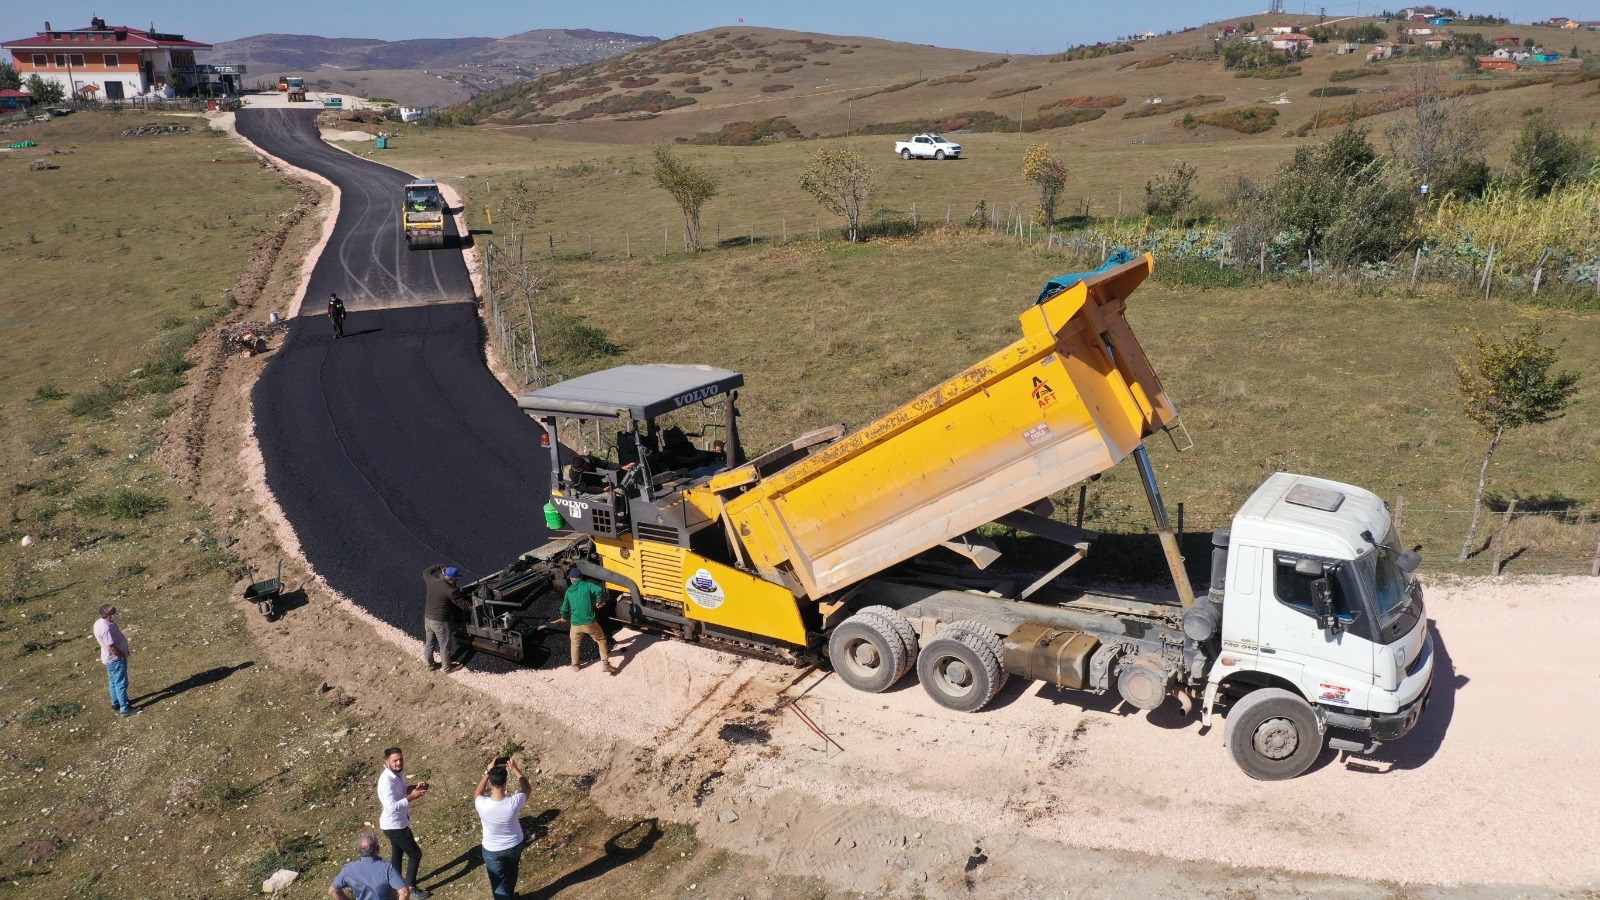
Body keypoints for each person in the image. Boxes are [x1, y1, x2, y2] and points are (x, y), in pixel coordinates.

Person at [377, 747, 431, 899]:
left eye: (400, 759)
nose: (399, 762)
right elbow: (391, 806)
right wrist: (411, 797)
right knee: (415, 854)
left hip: (397, 823)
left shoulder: (398, 774)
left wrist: (414, 788)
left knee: (397, 854)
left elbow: (402, 790)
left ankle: (395, 885)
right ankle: (411, 888)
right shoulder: (386, 781)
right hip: (395, 825)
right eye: (395, 760)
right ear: (387, 762)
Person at [474, 755, 530, 900]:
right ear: (505, 782)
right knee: (512, 873)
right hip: (514, 845)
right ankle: (509, 895)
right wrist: (515, 769)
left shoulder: (482, 804)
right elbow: (527, 788)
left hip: (492, 849)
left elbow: (478, 793)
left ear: (491, 782)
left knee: (498, 883)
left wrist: (487, 772)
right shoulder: (515, 802)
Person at [556, 569, 615, 674]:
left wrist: (563, 616)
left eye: (570, 577)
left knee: (574, 643)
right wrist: (599, 602)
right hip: (589, 623)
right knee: (601, 640)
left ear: (572, 579)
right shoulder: (587, 586)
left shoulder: (569, 591)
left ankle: (575, 665)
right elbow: (598, 590)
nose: (570, 579)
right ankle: (605, 664)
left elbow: (564, 608)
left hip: (575, 624)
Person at [329, 831, 410, 900]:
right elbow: (404, 893)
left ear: (359, 851)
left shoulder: (349, 869)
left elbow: (333, 891)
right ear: (378, 849)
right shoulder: (387, 867)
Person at [421, 565, 468, 673]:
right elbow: (464, 605)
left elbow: (426, 571)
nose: (456, 580)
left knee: (429, 643)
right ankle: (447, 668)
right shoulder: (449, 591)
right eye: (456, 579)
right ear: (450, 579)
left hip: (428, 619)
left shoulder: (431, 581)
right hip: (441, 622)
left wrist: (439, 566)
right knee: (444, 645)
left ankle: (430, 665)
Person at [93, 604, 134, 717]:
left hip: (109, 659)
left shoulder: (100, 623)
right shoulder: (106, 628)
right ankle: (125, 708)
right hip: (115, 659)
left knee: (113, 682)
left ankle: (116, 703)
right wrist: (122, 656)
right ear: (107, 615)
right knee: (121, 683)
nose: (117, 614)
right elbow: (111, 647)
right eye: (114, 613)